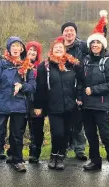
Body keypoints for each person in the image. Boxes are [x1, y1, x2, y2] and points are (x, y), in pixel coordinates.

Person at [0, 36, 36, 176]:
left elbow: (33, 86)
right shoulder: (3, 64)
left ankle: (17, 160)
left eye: (18, 46)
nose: (16, 48)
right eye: (13, 46)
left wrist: (22, 86)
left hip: (19, 104)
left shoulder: (27, 65)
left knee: (16, 135)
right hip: (1, 104)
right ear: (9, 49)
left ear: (22, 49)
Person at [77, 12, 109, 173]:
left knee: (106, 135)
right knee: (90, 135)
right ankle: (95, 161)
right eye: (93, 42)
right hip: (87, 105)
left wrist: (93, 90)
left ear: (103, 45)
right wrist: (80, 96)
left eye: (98, 43)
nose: (95, 45)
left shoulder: (108, 61)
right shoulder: (85, 60)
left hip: (101, 104)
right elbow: (80, 81)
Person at [34, 36, 79, 170]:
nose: (58, 49)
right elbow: (40, 87)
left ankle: (61, 157)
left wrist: (80, 97)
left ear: (65, 50)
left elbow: (80, 82)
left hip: (70, 105)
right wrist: (38, 105)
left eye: (61, 47)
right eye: (56, 47)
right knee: (57, 133)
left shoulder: (73, 65)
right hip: (53, 106)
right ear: (52, 51)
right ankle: (54, 154)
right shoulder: (45, 66)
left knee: (66, 133)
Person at [60, 22, 88, 161]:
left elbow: (99, 45)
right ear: (62, 33)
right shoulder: (58, 48)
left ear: (76, 33)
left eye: (72, 30)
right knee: (64, 121)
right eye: (66, 30)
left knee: (78, 121)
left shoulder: (82, 46)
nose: (69, 33)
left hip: (78, 86)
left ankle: (80, 149)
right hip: (62, 88)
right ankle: (63, 148)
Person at [25, 41, 46, 163]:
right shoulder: (20, 64)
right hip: (22, 101)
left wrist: (38, 105)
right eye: (30, 50)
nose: (32, 52)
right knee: (19, 127)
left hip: (36, 102)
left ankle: (35, 152)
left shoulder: (41, 67)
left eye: (35, 51)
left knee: (37, 128)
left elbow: (42, 87)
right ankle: (14, 153)